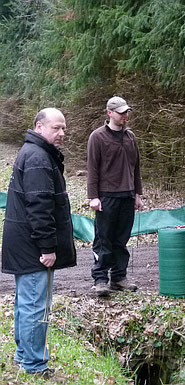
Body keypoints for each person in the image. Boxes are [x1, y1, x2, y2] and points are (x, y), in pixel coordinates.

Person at [1, 108, 76, 378]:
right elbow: (39, 206)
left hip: (23, 242)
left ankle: (24, 357)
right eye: (56, 128)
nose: (61, 133)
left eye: (64, 128)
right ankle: (34, 366)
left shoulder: (34, 153)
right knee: (35, 305)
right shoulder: (38, 158)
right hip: (33, 246)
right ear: (39, 126)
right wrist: (47, 247)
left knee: (26, 302)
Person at [87, 96, 143, 297]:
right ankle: (100, 279)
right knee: (104, 239)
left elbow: (136, 167)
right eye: (121, 112)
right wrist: (93, 197)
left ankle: (119, 278)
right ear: (109, 113)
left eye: (126, 112)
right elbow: (92, 169)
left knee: (121, 240)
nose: (125, 116)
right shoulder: (98, 137)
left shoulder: (131, 137)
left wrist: (137, 194)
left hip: (127, 196)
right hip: (106, 197)